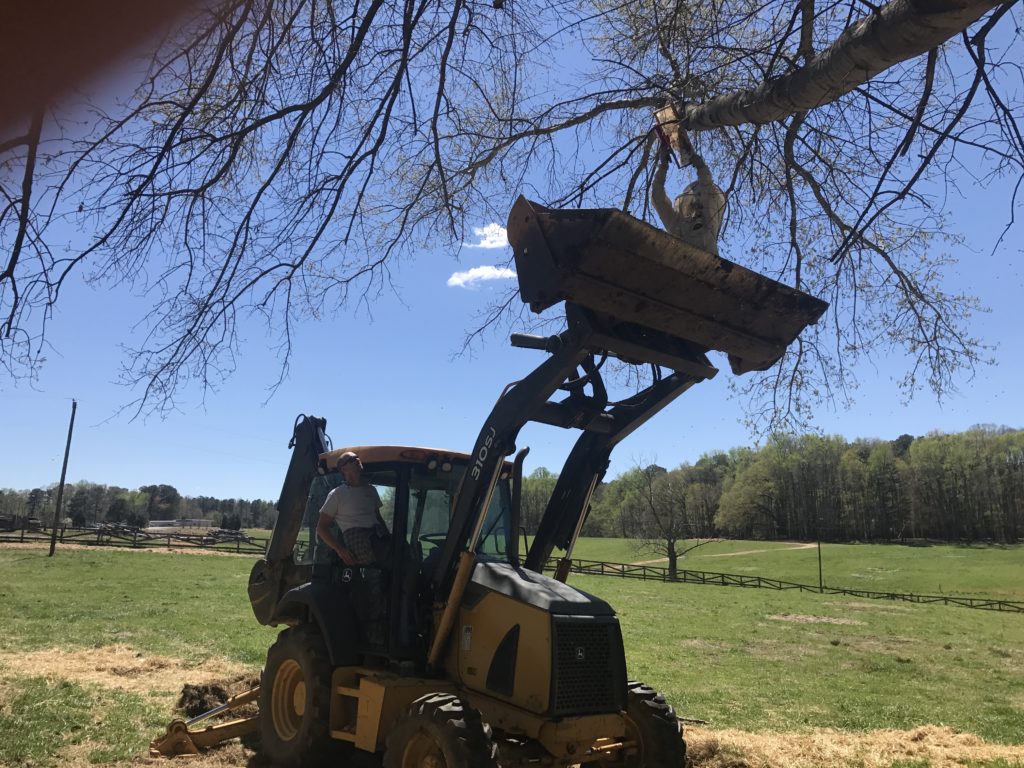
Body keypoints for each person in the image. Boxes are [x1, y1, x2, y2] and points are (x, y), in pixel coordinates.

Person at [316, 452, 387, 566]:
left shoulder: (371, 490)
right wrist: (340, 550)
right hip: (359, 541)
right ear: (344, 469)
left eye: (357, 457)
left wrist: (387, 535)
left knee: (407, 554)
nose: (357, 459)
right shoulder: (337, 494)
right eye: (352, 459)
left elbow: (378, 517)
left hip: (378, 536)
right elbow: (321, 528)